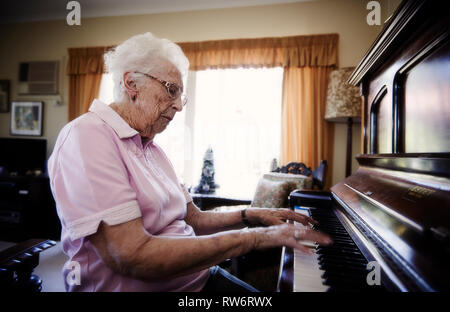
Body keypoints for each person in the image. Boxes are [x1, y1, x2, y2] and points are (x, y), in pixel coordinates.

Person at [47, 32, 332, 292]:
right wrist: (254, 238)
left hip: (198, 278)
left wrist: (251, 214)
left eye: (181, 95)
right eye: (171, 90)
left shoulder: (151, 149)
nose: (179, 105)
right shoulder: (86, 137)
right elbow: (131, 256)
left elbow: (194, 219)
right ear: (131, 82)